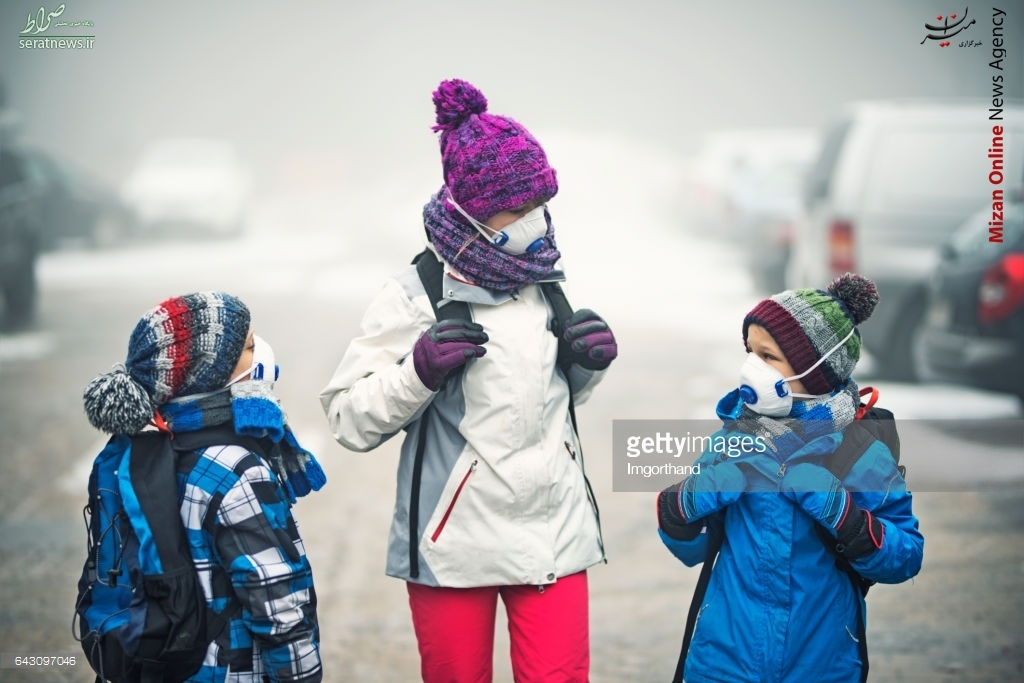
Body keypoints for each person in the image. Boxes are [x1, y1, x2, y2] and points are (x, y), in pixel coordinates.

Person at [320, 78, 617, 682]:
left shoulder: (545, 279)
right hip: (451, 546)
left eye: (541, 205)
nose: (536, 222)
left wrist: (584, 365)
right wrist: (418, 374)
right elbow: (347, 417)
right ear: (474, 212)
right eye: (519, 210)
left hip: (553, 538)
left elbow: (553, 399)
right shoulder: (415, 295)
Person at [656, 273, 924, 683]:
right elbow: (691, 548)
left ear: (815, 372)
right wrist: (685, 505)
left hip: (820, 665)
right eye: (750, 351)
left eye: (768, 356)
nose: (751, 366)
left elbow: (906, 555)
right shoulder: (732, 440)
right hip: (723, 663)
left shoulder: (860, 453)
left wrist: (846, 517)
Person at [83, 291, 325, 682]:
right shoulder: (236, 469)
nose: (262, 352)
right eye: (248, 346)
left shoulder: (143, 447)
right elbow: (276, 604)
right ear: (210, 375)